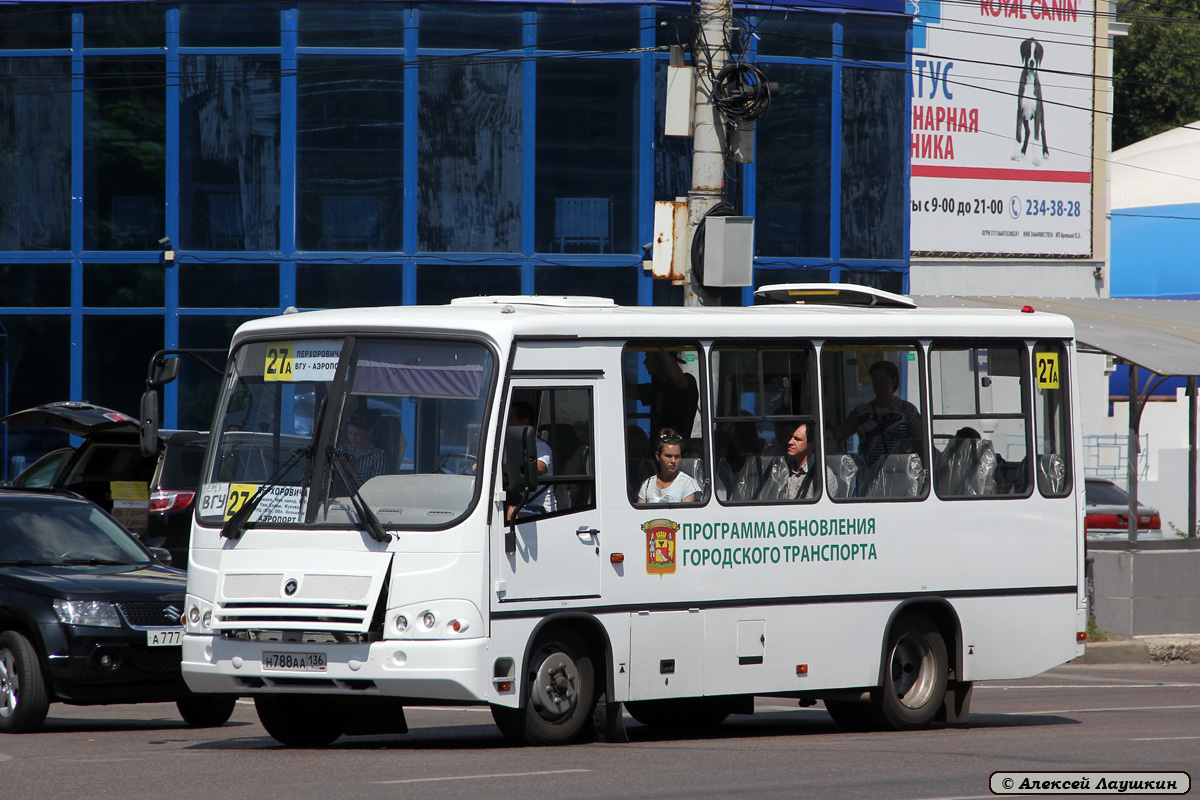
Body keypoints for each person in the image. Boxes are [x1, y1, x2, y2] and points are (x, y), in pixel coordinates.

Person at [829, 360, 921, 467]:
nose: (879, 384)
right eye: (875, 379)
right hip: (868, 472)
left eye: (883, 379)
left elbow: (918, 443)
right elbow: (841, 433)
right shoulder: (860, 412)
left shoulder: (908, 410)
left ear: (894, 381)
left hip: (899, 471)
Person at [627, 349, 700, 440]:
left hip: (676, 447)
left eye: (648, 358)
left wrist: (661, 348)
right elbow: (628, 390)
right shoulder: (656, 387)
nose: (644, 362)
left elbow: (677, 379)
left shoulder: (687, 383)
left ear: (661, 361)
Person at [507, 401, 555, 518]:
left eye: (511, 419)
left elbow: (538, 468)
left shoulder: (541, 447)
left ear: (525, 422)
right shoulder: (507, 447)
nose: (507, 424)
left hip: (538, 507)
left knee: (511, 511)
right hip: (516, 499)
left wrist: (503, 468)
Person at [637, 428, 700, 504]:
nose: (673, 461)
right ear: (658, 456)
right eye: (668, 456)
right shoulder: (647, 484)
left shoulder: (687, 484)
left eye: (677, 456)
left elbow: (686, 514)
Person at [336, 413, 388, 487]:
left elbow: (375, 489)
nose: (352, 438)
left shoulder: (378, 456)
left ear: (370, 432)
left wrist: (352, 471)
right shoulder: (341, 450)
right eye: (350, 433)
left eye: (357, 434)